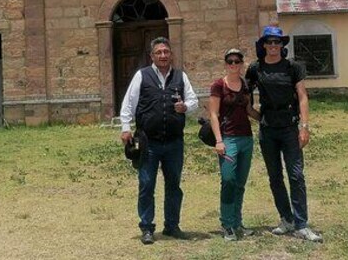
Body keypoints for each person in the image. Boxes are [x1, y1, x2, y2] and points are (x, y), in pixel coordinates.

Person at [245, 26, 323, 242]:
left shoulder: (292, 67)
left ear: (282, 45)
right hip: (268, 129)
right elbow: (245, 95)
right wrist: (254, 114)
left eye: (277, 42)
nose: (273, 46)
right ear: (263, 45)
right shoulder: (255, 68)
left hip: (290, 127)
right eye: (269, 42)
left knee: (296, 175)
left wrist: (305, 127)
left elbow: (302, 96)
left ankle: (301, 224)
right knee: (275, 177)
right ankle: (286, 219)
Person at [119, 37, 199, 245]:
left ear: (171, 54)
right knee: (146, 184)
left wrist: (186, 107)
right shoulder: (141, 76)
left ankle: (172, 226)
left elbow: (194, 100)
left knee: (174, 185)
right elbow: (129, 103)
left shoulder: (181, 77)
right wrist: (126, 128)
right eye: (159, 52)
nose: (163, 55)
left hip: (174, 142)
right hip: (148, 142)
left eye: (166, 52)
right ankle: (147, 227)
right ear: (152, 56)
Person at [208, 48, 259, 241]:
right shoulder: (218, 85)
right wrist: (219, 140)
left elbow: (248, 110)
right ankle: (227, 224)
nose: (234, 65)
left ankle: (237, 223)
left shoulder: (245, 85)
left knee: (240, 184)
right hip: (228, 139)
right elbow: (213, 114)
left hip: (246, 138)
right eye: (230, 61)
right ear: (225, 64)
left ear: (242, 64)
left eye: (237, 61)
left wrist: (266, 120)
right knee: (228, 181)